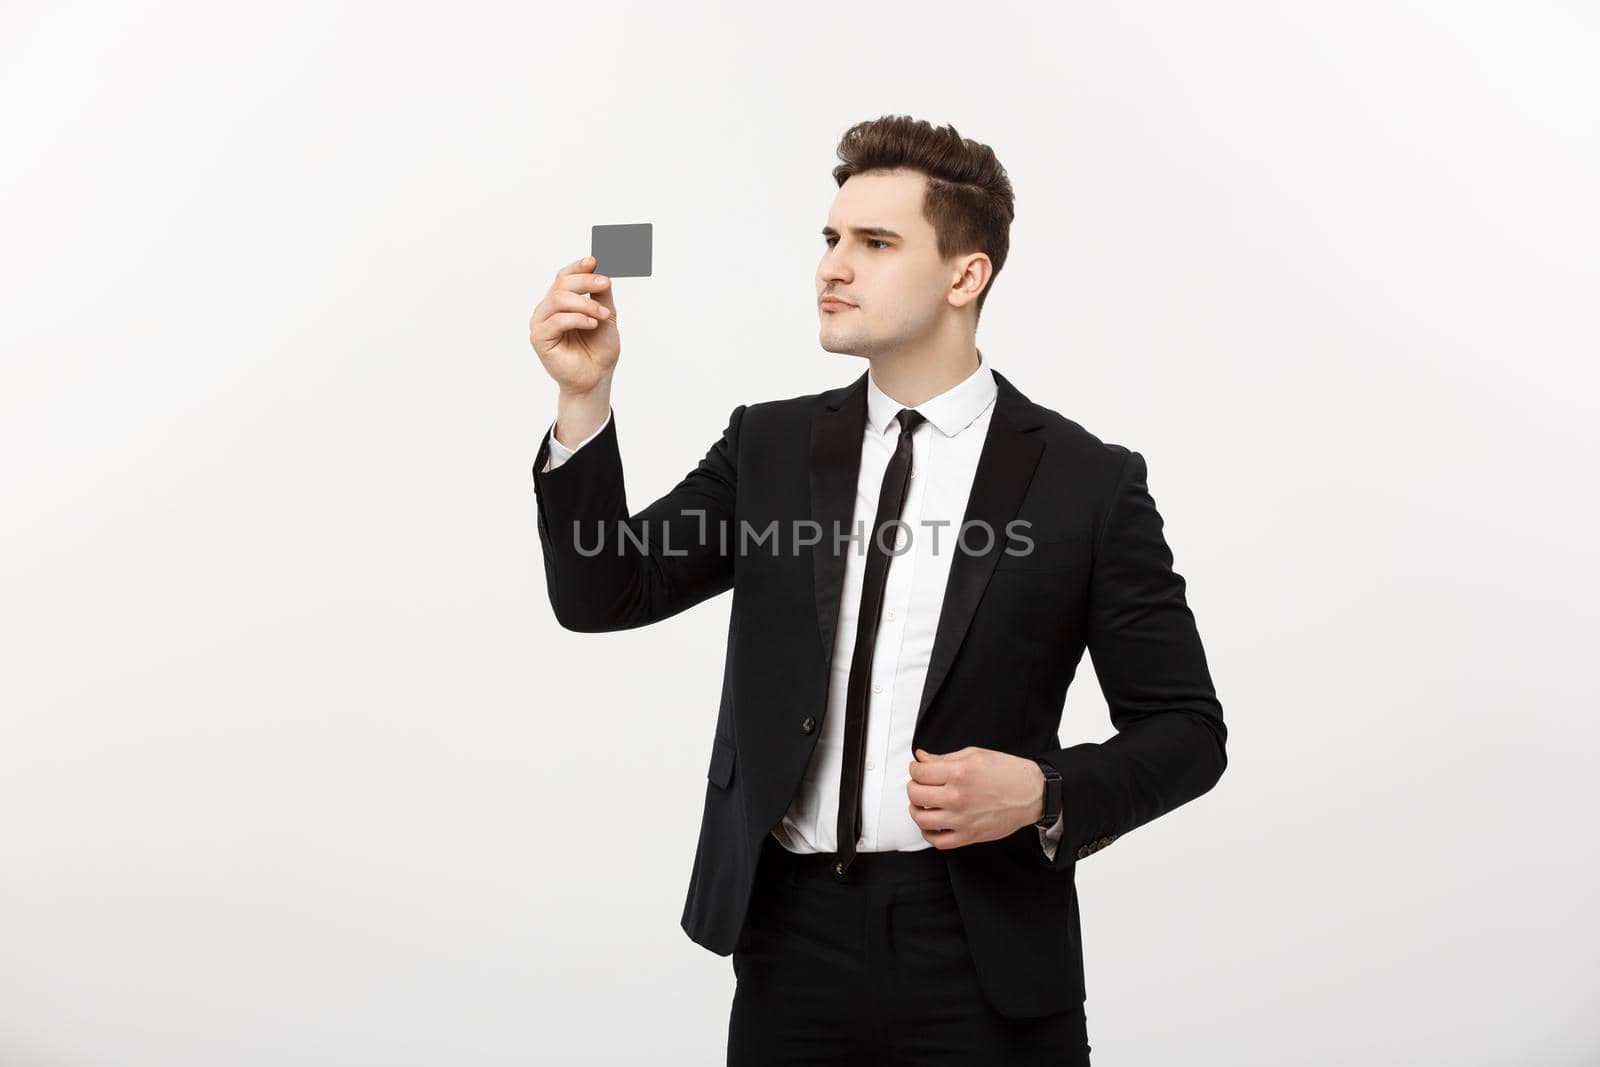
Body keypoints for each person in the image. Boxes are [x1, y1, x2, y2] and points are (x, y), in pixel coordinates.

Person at [527, 114, 1227, 1066]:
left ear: (964, 275)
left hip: (983, 951)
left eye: (875, 243)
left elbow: (1187, 730)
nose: (832, 266)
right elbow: (603, 590)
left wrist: (1044, 790)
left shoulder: (1087, 482)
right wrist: (584, 402)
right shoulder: (767, 446)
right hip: (790, 945)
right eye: (830, 239)